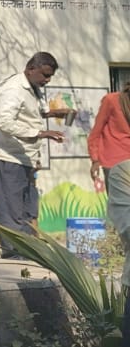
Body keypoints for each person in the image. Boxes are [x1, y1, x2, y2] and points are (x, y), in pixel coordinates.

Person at [0, 52, 70, 258]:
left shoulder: (34, 87)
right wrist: (39, 133)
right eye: (45, 75)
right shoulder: (13, 89)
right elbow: (5, 122)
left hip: (25, 157)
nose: (47, 80)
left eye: (50, 76)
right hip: (6, 156)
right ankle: (13, 254)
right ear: (31, 69)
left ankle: (27, 252)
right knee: (11, 210)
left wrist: (53, 114)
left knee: (27, 209)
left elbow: (33, 112)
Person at [88, 82, 130, 344]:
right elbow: (96, 132)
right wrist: (95, 159)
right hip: (116, 164)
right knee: (124, 221)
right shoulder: (112, 100)